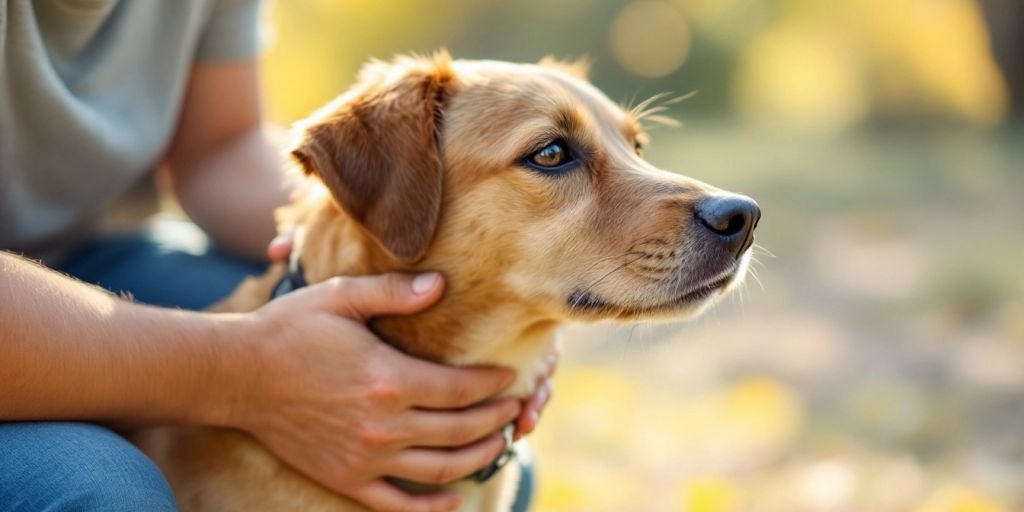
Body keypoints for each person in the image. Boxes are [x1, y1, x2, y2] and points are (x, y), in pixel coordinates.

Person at [0, 2, 553, 512]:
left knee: (447, 445)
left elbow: (220, 146)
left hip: (93, 251)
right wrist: (248, 375)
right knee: (100, 493)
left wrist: (377, 235)